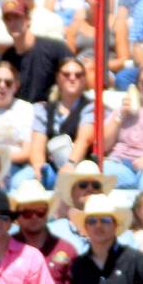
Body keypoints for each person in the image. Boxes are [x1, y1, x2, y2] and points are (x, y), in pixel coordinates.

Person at [10, 180, 77, 284]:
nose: (34, 217)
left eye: (40, 211)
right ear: (17, 217)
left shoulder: (67, 250)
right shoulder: (5, 249)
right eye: (27, 212)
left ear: (47, 213)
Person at [22, 57, 92, 189]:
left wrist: (70, 165)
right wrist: (39, 167)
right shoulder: (43, 109)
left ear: (84, 79)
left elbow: (84, 139)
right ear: (58, 78)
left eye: (78, 75)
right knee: (21, 181)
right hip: (51, 168)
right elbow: (37, 144)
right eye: (66, 74)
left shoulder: (91, 108)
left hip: (79, 167)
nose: (72, 78)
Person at [0, 0, 73, 104]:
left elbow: (74, 73)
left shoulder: (55, 49)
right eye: (8, 19)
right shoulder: (6, 58)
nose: (12, 22)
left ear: (28, 20)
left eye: (17, 17)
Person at [49, 160, 116, 250]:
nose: (90, 188)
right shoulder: (54, 231)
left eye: (96, 185)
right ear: (72, 192)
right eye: (83, 184)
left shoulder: (114, 230)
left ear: (101, 192)